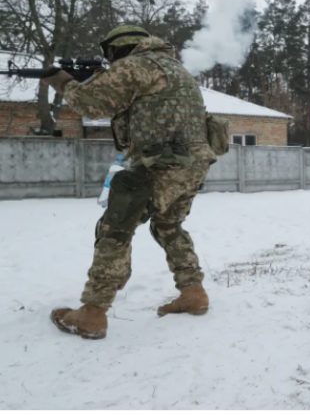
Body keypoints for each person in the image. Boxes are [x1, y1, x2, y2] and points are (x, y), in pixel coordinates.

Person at [41, 25, 217, 340]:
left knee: (115, 227)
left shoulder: (137, 65)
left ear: (119, 49)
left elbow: (93, 106)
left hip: (160, 166)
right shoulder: (174, 69)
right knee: (168, 227)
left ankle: (92, 313)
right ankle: (193, 292)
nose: (111, 63)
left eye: (111, 56)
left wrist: (63, 82)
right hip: (192, 164)